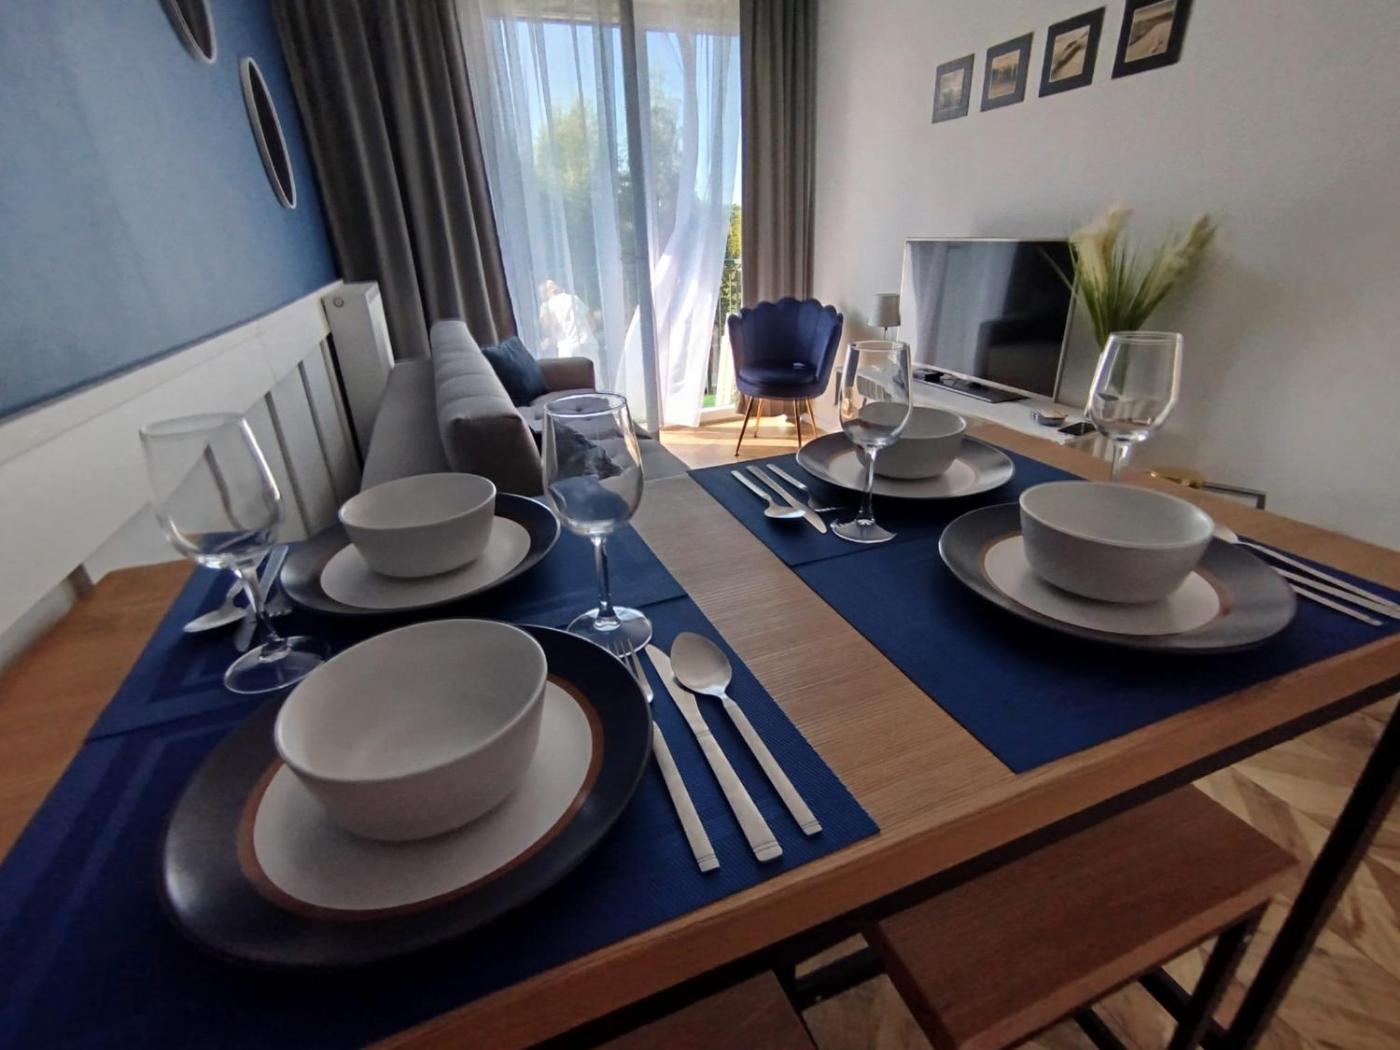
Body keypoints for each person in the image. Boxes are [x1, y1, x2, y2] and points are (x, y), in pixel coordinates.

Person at [537, 280, 600, 369]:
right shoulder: (574, 299)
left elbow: (546, 328)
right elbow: (592, 324)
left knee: (571, 377)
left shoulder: (548, 307)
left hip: (568, 351)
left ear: (545, 294)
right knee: (594, 375)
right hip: (587, 344)